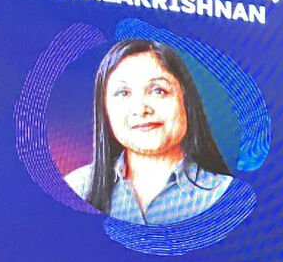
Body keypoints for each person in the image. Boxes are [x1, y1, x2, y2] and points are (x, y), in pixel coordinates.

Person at [64, 38, 234, 226]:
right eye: (123, 93)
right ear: (104, 108)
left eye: (158, 90)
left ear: (185, 100)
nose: (141, 109)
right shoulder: (75, 189)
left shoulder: (227, 196)